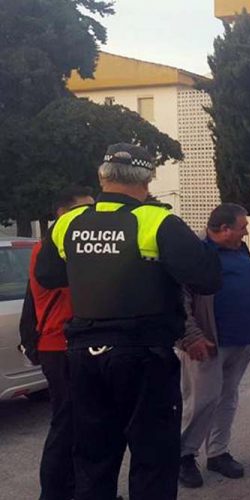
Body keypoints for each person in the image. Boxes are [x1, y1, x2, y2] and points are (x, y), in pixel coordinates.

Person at [34, 143, 221, 500]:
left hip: (85, 355)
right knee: (153, 459)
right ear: (147, 179)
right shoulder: (157, 221)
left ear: (103, 177)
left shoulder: (68, 222)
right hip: (143, 356)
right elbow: (207, 279)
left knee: (92, 458)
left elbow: (48, 276)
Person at [177, 203, 250, 488]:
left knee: (227, 397)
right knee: (201, 401)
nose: (246, 231)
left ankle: (218, 452)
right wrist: (191, 337)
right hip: (208, 343)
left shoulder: (240, 250)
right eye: (242, 227)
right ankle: (184, 455)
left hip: (243, 339)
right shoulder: (198, 255)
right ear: (224, 229)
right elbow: (180, 301)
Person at [19, 186, 94, 500]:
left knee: (84, 424)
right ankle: (54, 493)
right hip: (60, 347)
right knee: (66, 424)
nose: (93, 216)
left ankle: (82, 489)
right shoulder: (52, 248)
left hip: (75, 345)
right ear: (63, 215)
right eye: (85, 210)